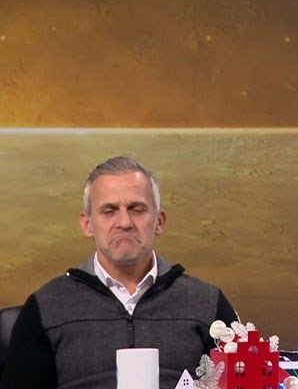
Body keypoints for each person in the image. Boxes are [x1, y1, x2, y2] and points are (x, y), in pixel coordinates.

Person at [0, 156, 238, 389]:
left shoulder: (208, 304)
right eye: (109, 210)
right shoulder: (47, 307)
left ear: (159, 221)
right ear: (87, 224)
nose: (124, 222)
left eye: (137, 209)